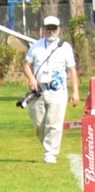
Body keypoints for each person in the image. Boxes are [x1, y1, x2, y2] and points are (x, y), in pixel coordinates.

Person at [22, 15, 79, 163]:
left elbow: (72, 70)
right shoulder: (36, 46)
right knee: (39, 124)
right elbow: (27, 65)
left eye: (54, 28)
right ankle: (48, 146)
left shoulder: (65, 47)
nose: (51, 31)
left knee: (54, 123)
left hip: (58, 91)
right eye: (48, 28)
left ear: (58, 29)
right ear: (44, 29)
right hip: (39, 91)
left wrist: (76, 91)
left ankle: (50, 153)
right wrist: (32, 79)